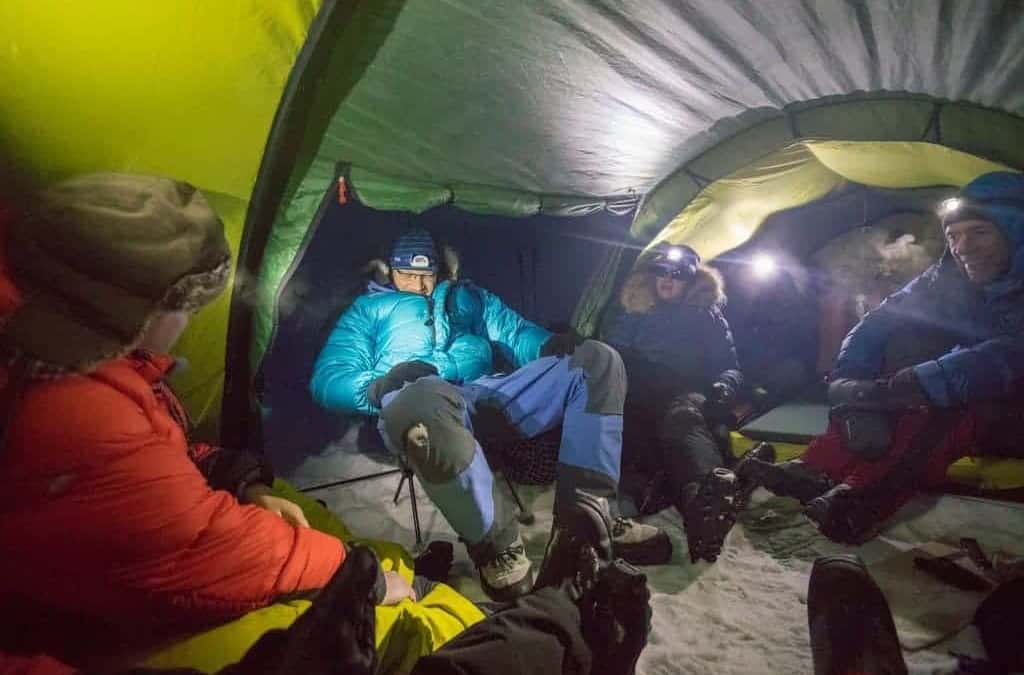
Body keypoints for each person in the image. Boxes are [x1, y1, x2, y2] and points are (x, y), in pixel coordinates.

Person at [0, 174, 480, 673]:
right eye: (186, 307)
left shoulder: (71, 354)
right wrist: (362, 579)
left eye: (428, 276)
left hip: (115, 572)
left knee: (291, 507)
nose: (189, 322)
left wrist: (235, 476)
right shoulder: (74, 413)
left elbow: (156, 469)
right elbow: (199, 542)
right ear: (136, 309)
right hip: (84, 626)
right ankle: (438, 615)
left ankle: (400, 567)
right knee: (357, 621)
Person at [310, 228, 669, 600]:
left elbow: (515, 334)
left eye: (426, 275)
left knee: (597, 360)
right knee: (418, 401)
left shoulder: (470, 298)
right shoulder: (368, 310)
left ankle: (589, 513)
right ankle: (495, 546)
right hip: (420, 403)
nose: (418, 285)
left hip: (488, 393)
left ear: (440, 271)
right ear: (389, 273)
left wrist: (547, 344)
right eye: (407, 275)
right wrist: (376, 386)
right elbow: (328, 377)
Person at [740, 171, 1024, 544]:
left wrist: (920, 382)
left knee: (947, 403)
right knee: (905, 348)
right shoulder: (947, 275)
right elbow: (880, 321)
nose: (963, 246)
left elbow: (1009, 354)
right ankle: (816, 467)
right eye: (954, 235)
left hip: (1008, 408)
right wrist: (851, 382)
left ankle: (861, 497)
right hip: (962, 387)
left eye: (980, 232)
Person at [601, 243, 768, 563]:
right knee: (628, 434)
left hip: (685, 390)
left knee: (682, 422)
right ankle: (625, 505)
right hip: (638, 392)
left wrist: (724, 385)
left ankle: (706, 501)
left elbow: (728, 364)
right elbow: (612, 354)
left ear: (690, 280)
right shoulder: (635, 311)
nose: (668, 279)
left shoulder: (706, 317)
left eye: (677, 274)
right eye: (661, 271)